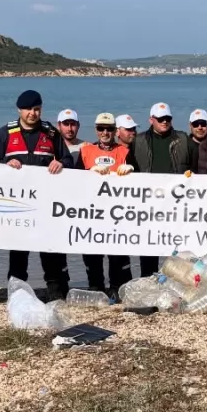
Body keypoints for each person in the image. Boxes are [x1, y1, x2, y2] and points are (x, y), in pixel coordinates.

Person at [0, 89, 72, 300]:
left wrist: (60, 163)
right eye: (28, 109)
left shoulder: (51, 133)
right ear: (19, 109)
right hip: (17, 207)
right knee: (18, 254)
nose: (32, 113)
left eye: (36, 109)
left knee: (51, 251)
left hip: (46, 205)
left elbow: (69, 160)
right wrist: (4, 164)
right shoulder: (5, 133)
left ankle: (57, 294)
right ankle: (16, 295)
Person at [129, 101, 191, 276]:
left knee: (178, 249)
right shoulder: (139, 141)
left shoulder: (183, 139)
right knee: (149, 248)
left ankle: (178, 284)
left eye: (168, 118)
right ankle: (149, 282)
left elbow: (197, 167)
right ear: (151, 120)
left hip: (177, 205)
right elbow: (130, 168)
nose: (164, 121)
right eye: (160, 119)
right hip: (148, 205)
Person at [78, 112, 134, 297]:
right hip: (92, 212)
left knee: (118, 254)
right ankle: (96, 287)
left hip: (118, 213)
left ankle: (117, 288)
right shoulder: (86, 151)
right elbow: (73, 179)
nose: (105, 132)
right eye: (101, 128)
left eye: (109, 129)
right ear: (96, 130)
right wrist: (87, 172)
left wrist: (132, 168)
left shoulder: (125, 151)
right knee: (93, 254)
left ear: (115, 131)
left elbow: (140, 182)